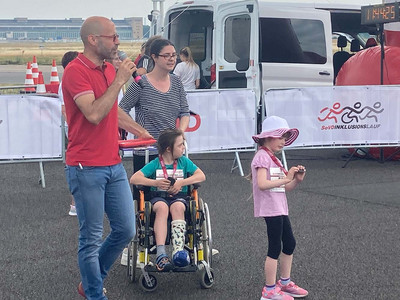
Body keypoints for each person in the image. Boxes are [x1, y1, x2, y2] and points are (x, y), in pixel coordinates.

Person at [62, 16, 152, 299]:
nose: (118, 42)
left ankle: (91, 281)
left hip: (112, 163)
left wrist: (140, 130)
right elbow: (94, 113)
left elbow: (113, 110)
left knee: (126, 229)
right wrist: (120, 80)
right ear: (93, 40)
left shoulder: (108, 69)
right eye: (112, 37)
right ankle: (94, 293)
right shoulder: (76, 71)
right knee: (90, 239)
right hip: (85, 166)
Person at [119, 38, 190, 190]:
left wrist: (180, 132)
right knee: (146, 200)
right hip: (147, 149)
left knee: (175, 195)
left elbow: (184, 111)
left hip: (172, 150)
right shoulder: (141, 83)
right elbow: (121, 109)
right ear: (154, 57)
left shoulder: (177, 82)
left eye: (174, 55)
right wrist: (139, 131)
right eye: (166, 55)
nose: (172, 59)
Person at [250, 116, 308, 300]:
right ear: (268, 137)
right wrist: (286, 178)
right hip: (270, 208)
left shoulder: (274, 158)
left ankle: (284, 282)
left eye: (286, 137)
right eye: (281, 136)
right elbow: (261, 184)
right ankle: (268, 290)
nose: (284, 141)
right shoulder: (262, 157)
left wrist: (296, 180)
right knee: (274, 247)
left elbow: (285, 187)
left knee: (289, 243)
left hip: (280, 207)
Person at [130, 128, 206, 270]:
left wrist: (181, 183)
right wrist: (155, 183)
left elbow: (201, 176)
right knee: (162, 208)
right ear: (168, 149)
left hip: (179, 197)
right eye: (180, 145)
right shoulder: (155, 163)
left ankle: (178, 251)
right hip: (158, 197)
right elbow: (134, 178)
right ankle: (161, 253)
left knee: (177, 207)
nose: (183, 147)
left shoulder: (184, 162)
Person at [58, 50, 79, 216]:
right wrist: (74, 129)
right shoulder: (66, 82)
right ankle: (75, 203)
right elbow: (65, 110)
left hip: (77, 128)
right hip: (75, 129)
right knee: (77, 164)